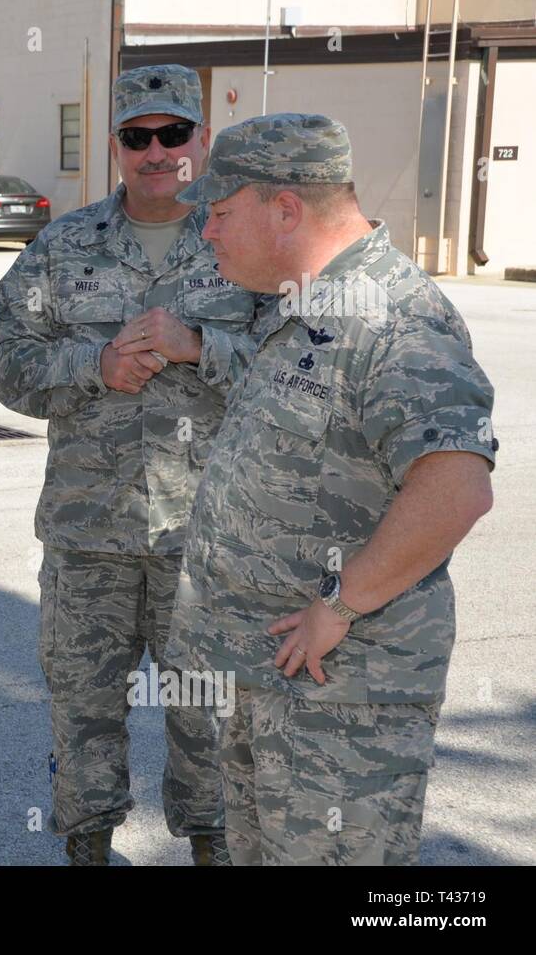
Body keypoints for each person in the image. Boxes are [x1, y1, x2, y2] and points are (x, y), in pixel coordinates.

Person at [168, 113, 497, 865]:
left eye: (219, 215)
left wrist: (342, 604)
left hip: (346, 705)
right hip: (277, 683)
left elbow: (455, 488)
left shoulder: (395, 318)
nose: (207, 235)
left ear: (285, 208)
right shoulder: (308, 304)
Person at [0, 64, 264, 865]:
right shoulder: (61, 246)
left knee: (209, 722)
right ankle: (89, 851)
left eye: (173, 133)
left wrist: (201, 346)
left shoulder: (243, 241)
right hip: (87, 540)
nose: (156, 152)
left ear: (201, 140)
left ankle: (215, 851)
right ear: (115, 147)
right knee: (84, 718)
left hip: (207, 543)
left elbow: (300, 369)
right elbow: (7, 364)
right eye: (137, 137)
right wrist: (93, 365)